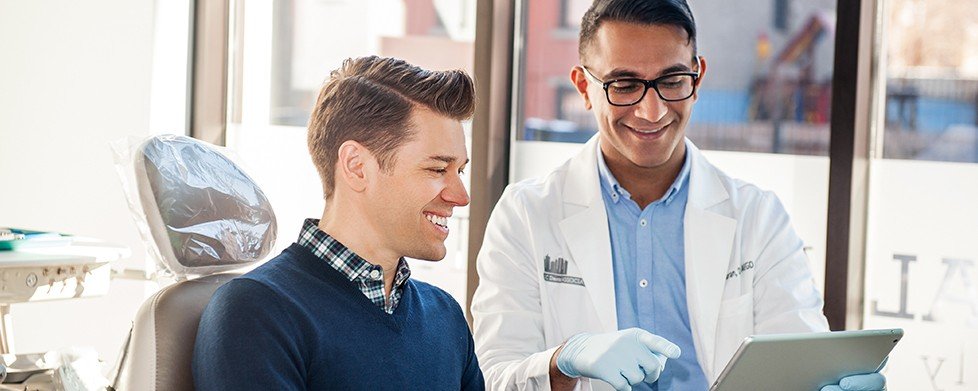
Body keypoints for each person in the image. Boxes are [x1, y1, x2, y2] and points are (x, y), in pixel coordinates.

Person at [470, 1, 886, 390]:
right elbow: (493, 375)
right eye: (625, 84)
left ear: (698, 76)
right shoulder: (525, 215)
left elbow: (798, 362)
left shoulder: (758, 217)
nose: (652, 111)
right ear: (583, 86)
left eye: (671, 81)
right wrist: (564, 362)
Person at [193, 55, 485, 390]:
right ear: (357, 166)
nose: (461, 196)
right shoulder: (257, 312)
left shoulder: (445, 317)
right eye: (437, 169)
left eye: (459, 171)